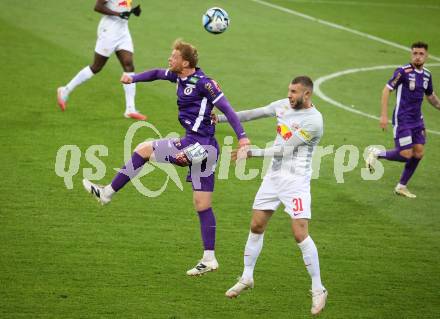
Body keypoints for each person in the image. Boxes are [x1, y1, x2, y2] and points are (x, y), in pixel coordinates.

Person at [82, 39, 250, 276]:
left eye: (174, 56)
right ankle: (209, 259)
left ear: (186, 62)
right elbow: (155, 74)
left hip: (202, 146)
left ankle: (107, 193)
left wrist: (242, 137)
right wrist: (133, 77)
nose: (169, 59)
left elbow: (228, 109)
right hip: (195, 143)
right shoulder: (177, 77)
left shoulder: (205, 83)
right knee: (202, 204)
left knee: (144, 149)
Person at [214, 76, 327, 315]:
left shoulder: (314, 121)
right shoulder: (282, 105)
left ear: (307, 95)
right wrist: (219, 119)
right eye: (289, 90)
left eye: (294, 92)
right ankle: (246, 277)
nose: (289, 95)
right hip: (273, 178)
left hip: (296, 182)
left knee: (299, 233)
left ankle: (318, 289)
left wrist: (251, 152)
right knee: (256, 225)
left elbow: (284, 150)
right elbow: (252, 113)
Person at [367, 41, 440, 198]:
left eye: (421, 54)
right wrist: (384, 115)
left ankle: (401, 186)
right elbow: (386, 90)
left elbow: (431, 96)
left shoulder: (427, 75)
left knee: (419, 153)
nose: (418, 57)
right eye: (415, 53)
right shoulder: (403, 72)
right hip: (403, 120)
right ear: (411, 54)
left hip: (417, 120)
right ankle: (376, 153)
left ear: (427, 56)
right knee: (405, 154)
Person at [57, 0, 147, 120]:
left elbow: (123, 5)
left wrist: (133, 11)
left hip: (123, 31)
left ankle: (130, 109)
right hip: (108, 31)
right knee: (96, 67)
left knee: (128, 65)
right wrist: (118, 14)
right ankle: (65, 90)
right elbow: (97, 6)